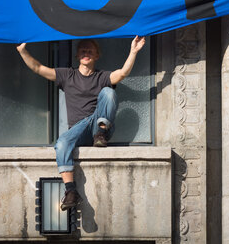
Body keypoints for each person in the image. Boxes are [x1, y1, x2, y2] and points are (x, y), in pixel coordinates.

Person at [16, 36, 146, 210]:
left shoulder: (102, 77)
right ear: (77, 55)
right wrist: (22, 51)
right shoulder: (67, 75)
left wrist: (134, 51)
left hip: (97, 127)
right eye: (83, 50)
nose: (86, 53)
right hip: (78, 130)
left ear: (97, 55)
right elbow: (38, 68)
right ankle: (71, 191)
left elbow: (122, 73)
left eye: (90, 50)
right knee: (62, 142)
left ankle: (100, 133)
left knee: (108, 92)